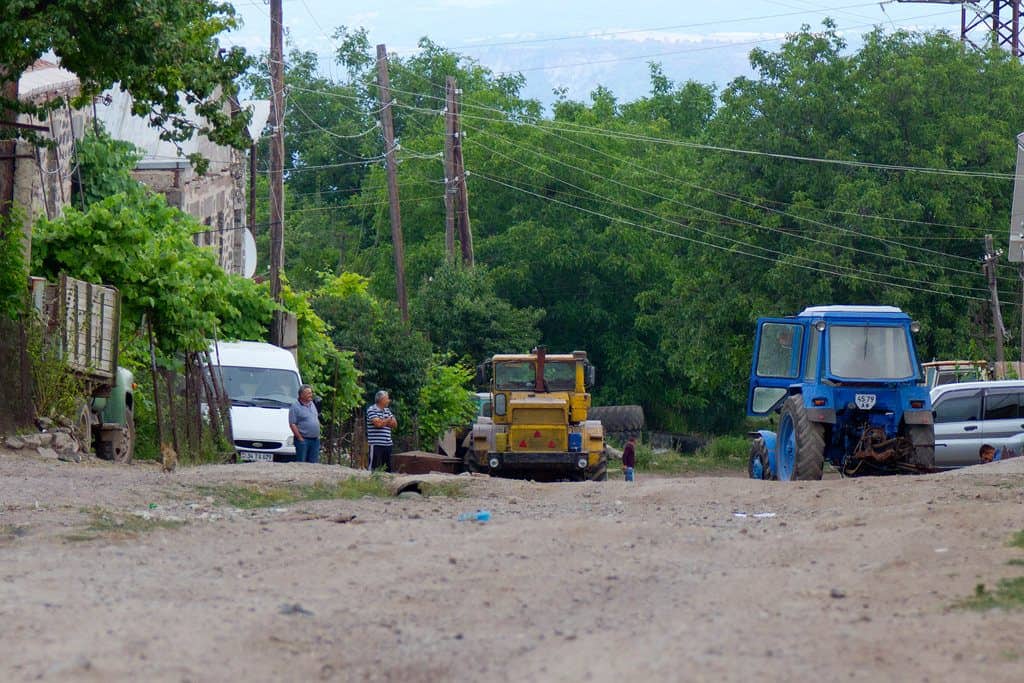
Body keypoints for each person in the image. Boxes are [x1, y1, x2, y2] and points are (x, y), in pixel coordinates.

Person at [366, 390, 397, 472]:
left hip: (388, 444)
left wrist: (383, 421)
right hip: (376, 444)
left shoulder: (387, 410)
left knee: (387, 469)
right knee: (374, 468)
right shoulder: (371, 410)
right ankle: (371, 484)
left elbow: (394, 424)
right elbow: (378, 424)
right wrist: (387, 420)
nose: (389, 400)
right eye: (387, 398)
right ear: (381, 399)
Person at [289, 384, 320, 463]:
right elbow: (292, 424)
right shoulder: (295, 407)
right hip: (303, 440)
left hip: (315, 440)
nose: (311, 395)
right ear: (302, 395)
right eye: (308, 393)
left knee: (313, 463)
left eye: (311, 393)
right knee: (301, 463)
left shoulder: (312, 404)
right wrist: (300, 438)